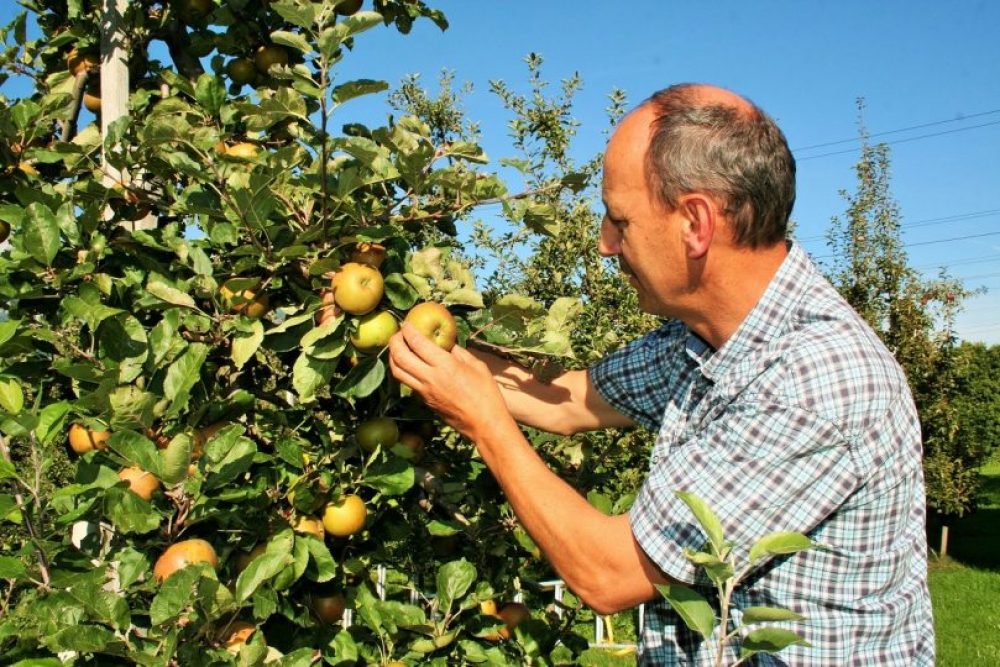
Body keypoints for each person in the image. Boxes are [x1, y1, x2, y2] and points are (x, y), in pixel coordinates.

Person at [388, 83, 934, 665]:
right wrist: (402, 333)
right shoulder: (702, 336)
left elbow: (609, 573)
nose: (605, 244)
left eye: (619, 220)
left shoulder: (812, 378)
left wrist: (484, 424)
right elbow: (570, 399)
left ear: (695, 223)